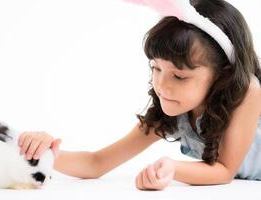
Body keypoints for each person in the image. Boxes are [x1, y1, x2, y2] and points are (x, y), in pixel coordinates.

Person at [18, 0, 261, 190]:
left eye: (180, 76)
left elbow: (224, 171)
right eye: (156, 68)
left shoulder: (247, 91)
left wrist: (172, 168)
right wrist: (46, 152)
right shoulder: (174, 111)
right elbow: (96, 163)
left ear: (222, 75)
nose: (162, 86)